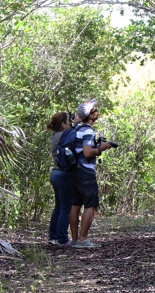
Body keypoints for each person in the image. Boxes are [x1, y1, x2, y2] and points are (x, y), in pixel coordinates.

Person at [69, 99, 112, 248]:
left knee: (75, 204)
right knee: (90, 204)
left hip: (75, 171)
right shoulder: (87, 130)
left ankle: (74, 239)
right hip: (85, 172)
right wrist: (102, 148)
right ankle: (82, 240)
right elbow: (88, 153)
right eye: (96, 110)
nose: (98, 111)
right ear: (91, 115)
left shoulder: (76, 129)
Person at [46, 112, 73, 247]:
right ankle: (62, 239)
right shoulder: (64, 135)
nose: (70, 123)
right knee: (65, 209)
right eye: (68, 121)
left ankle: (53, 237)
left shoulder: (55, 135)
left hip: (55, 173)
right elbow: (74, 134)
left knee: (58, 207)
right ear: (63, 124)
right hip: (63, 175)